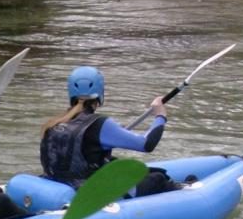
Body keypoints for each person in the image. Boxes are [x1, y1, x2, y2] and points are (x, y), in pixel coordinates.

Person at [40, 66, 182, 196]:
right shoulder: (100, 124)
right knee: (158, 177)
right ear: (100, 93)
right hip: (90, 190)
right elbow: (146, 144)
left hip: (60, 183)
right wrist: (160, 115)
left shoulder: (54, 123)